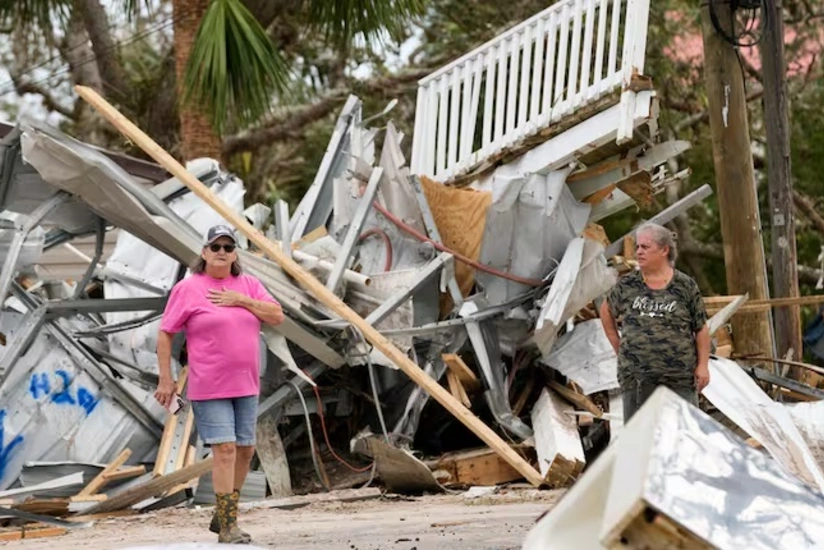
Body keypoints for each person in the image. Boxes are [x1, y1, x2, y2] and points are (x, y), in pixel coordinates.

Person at [155, 224, 284, 544]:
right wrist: (166, 379)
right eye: (215, 247)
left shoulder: (249, 285)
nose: (222, 252)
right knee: (225, 449)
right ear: (204, 252)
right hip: (209, 383)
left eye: (228, 247)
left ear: (235, 253)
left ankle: (224, 512)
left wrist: (241, 300)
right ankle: (229, 525)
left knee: (245, 449)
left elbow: (277, 315)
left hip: (247, 383)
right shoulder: (188, 288)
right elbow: (166, 332)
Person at [599, 222, 710, 423]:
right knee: (640, 441)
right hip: (637, 379)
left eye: (645, 247)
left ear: (664, 250)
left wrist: (703, 365)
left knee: (683, 438)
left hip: (679, 379)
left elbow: (701, 328)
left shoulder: (685, 286)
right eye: (637, 247)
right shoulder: (628, 285)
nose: (639, 252)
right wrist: (619, 345)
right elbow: (606, 311)